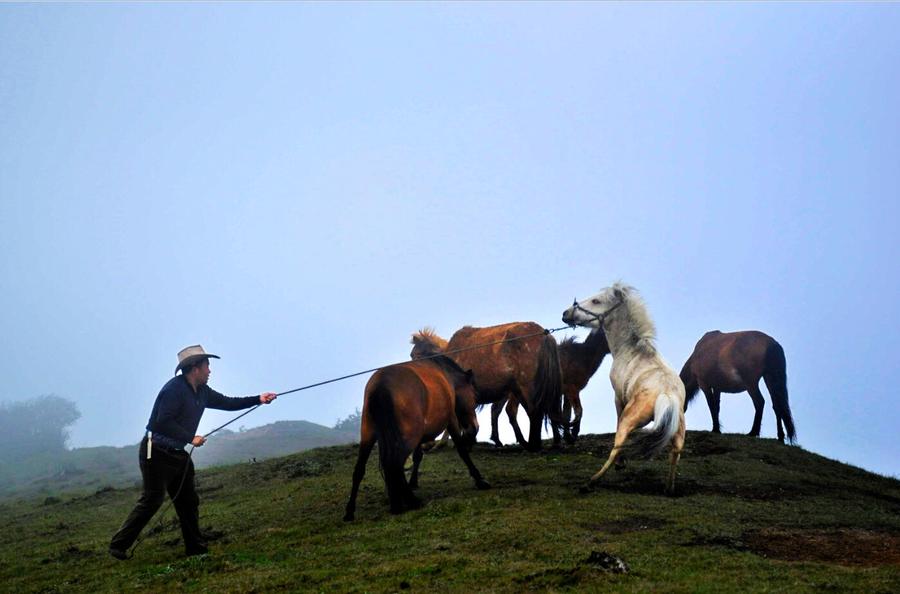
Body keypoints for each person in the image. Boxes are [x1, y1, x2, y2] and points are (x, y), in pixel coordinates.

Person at [109, 345, 276, 559]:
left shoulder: (203, 391)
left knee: (188, 501)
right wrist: (190, 438)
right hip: (155, 452)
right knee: (152, 500)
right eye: (207, 366)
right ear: (195, 368)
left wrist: (258, 399)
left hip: (177, 454)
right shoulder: (174, 389)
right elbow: (162, 422)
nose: (210, 371)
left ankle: (195, 549)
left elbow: (227, 402)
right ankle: (118, 545)